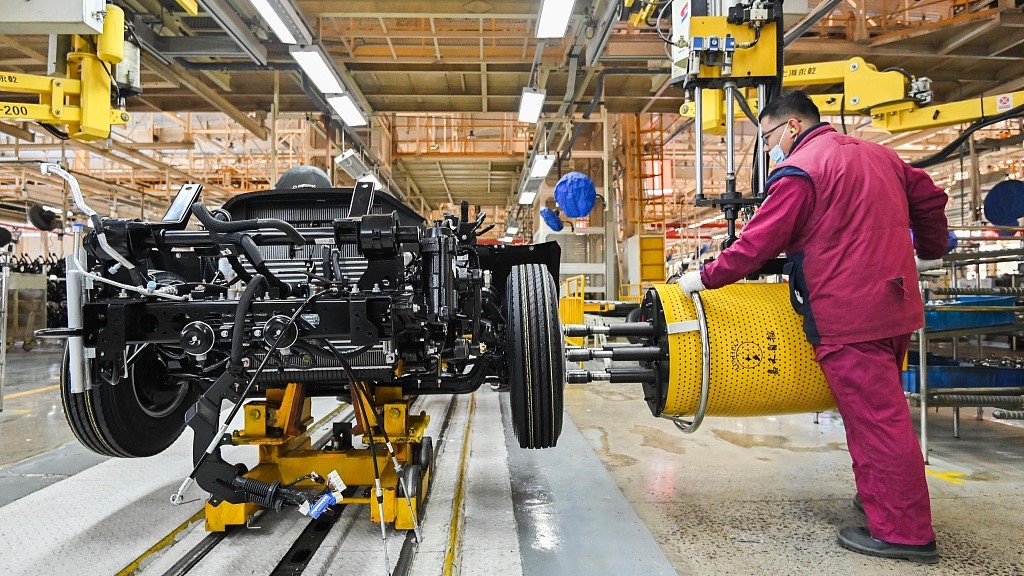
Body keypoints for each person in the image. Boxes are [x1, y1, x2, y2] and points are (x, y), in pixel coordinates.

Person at [678, 91, 948, 564]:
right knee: (872, 418)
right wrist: (928, 252)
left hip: (849, 315)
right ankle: (880, 504)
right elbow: (930, 197)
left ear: (794, 128)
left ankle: (905, 532)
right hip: (895, 305)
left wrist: (703, 277)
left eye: (768, 139)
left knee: (877, 424)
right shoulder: (880, 155)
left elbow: (757, 245)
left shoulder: (802, 171)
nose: (769, 150)